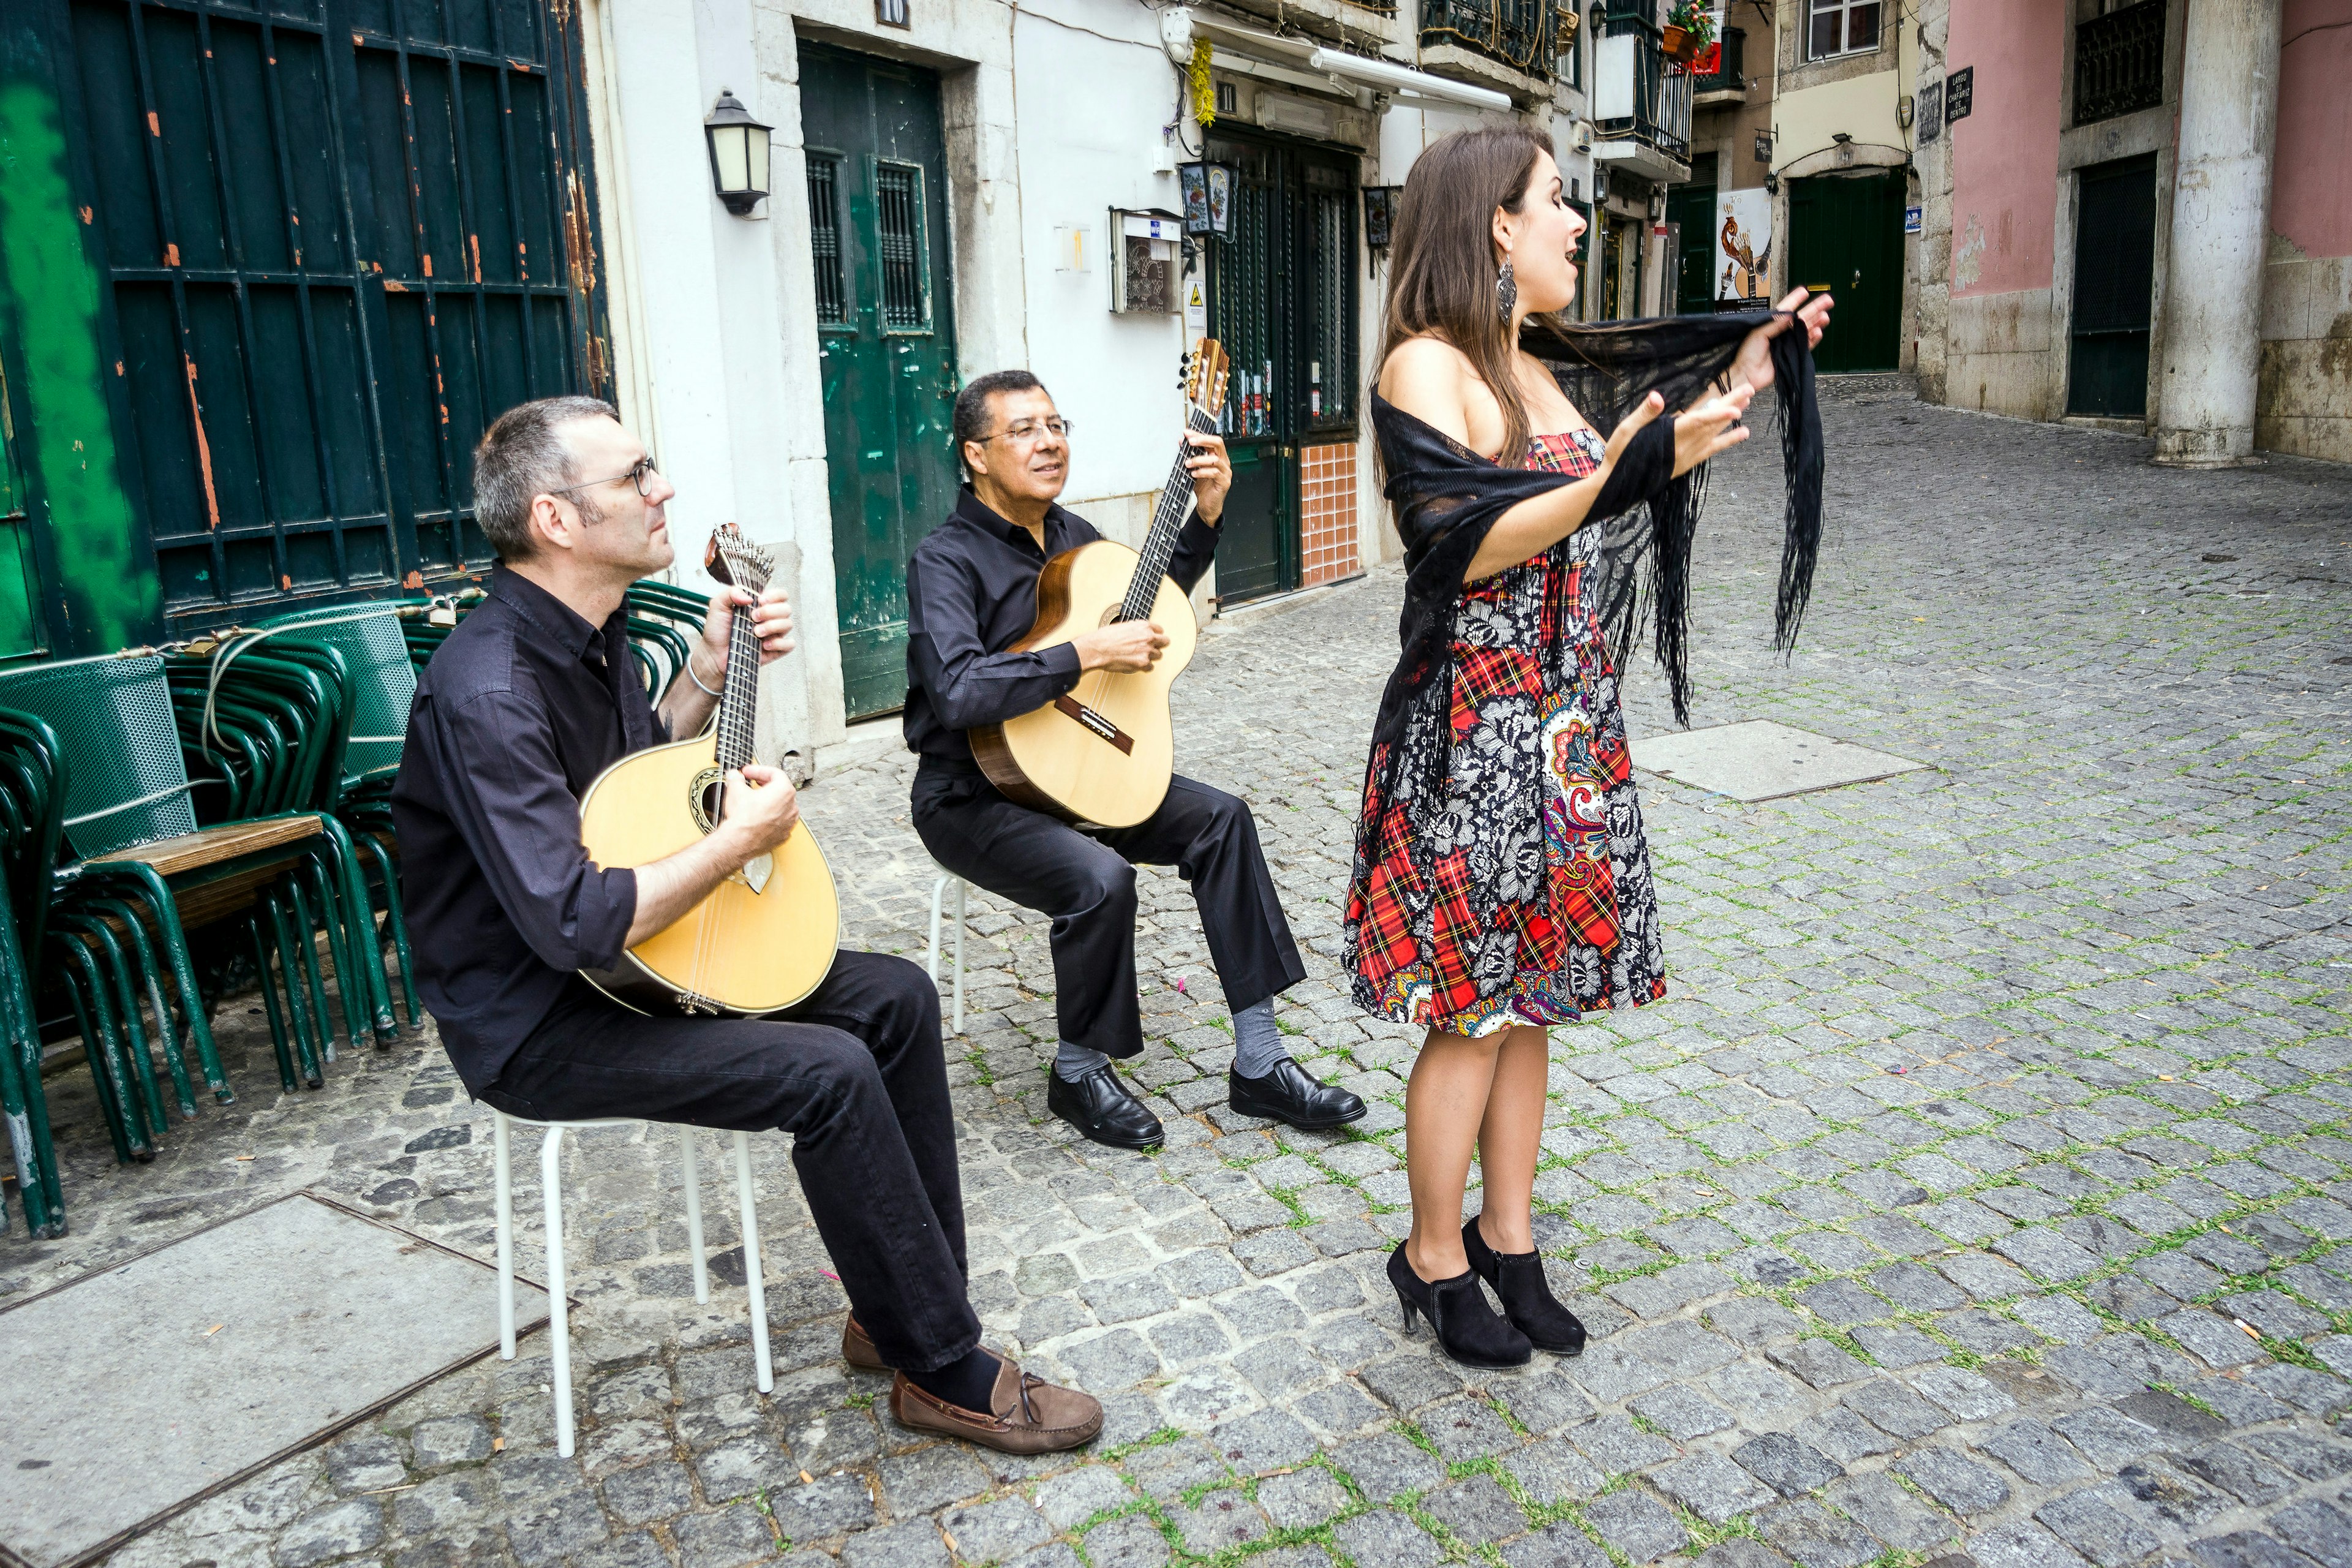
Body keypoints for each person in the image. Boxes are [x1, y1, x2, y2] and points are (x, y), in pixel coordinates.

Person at [391, 396, 1101, 1454]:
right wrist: (736, 842)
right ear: (556, 520)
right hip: (543, 1017)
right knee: (827, 1071)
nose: (662, 487)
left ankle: (899, 1306)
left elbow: (630, 783)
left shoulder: (588, 636)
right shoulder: (489, 687)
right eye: (636, 476)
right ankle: (943, 1369)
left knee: (897, 997)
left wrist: (703, 680)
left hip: (639, 965)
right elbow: (577, 920)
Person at [1350, 128, 1832, 1368]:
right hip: (1474, 734)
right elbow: (1466, 542)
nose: (1578, 223)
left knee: (1534, 998)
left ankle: (1509, 1237)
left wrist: (1742, 383)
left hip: (1564, 726)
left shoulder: (1536, 368)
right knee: (1468, 1011)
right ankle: (1432, 1253)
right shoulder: (1426, 367)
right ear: (1494, 226)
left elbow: (1623, 465)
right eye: (1558, 203)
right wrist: (1623, 475)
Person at [902, 371, 1365, 1150]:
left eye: (1057, 424)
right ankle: (1078, 1071)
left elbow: (1147, 606)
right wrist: (1083, 651)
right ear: (975, 455)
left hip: (1079, 758)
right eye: (1024, 430)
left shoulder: (1076, 538)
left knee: (1221, 820)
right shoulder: (944, 562)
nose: (1050, 442)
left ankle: (1261, 1063)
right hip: (974, 792)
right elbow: (955, 691)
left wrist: (1206, 516)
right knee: (1098, 877)